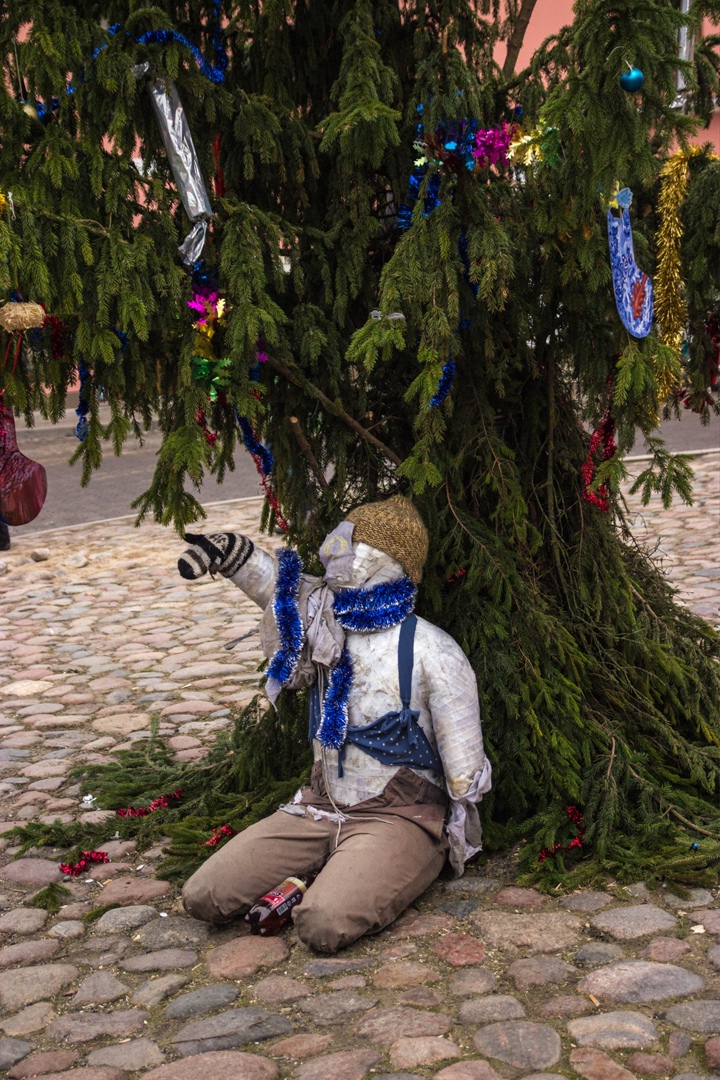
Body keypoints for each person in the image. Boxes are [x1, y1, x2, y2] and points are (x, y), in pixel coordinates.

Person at [177, 494, 491, 953]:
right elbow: (278, 590)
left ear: (390, 560)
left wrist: (461, 815)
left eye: (356, 542)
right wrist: (232, 553)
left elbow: (463, 764)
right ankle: (322, 865)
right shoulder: (324, 624)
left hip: (398, 817)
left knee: (324, 924)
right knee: (203, 895)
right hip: (320, 807)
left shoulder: (432, 650)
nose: (336, 550)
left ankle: (365, 870)